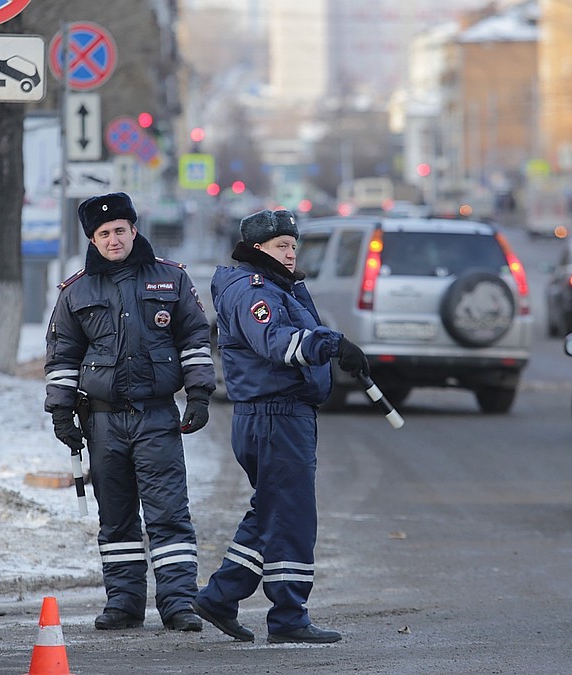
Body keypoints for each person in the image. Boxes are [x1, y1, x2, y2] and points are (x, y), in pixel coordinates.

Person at [192, 208, 369, 644]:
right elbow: (277, 343)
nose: (289, 253)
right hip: (274, 416)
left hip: (280, 415)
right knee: (291, 517)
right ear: (257, 251)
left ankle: (221, 596)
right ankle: (289, 615)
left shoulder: (277, 286)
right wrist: (332, 344)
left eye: (292, 245)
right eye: (279, 247)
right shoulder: (255, 291)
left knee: (272, 511)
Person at [44, 192, 214, 632]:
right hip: (101, 423)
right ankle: (123, 602)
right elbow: (62, 357)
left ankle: (179, 603)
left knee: (169, 515)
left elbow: (194, 339)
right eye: (104, 233)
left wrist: (198, 395)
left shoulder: (170, 279)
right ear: (93, 239)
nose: (113, 239)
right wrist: (61, 414)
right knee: (115, 518)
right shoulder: (76, 291)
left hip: (156, 417)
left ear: (134, 230)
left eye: (120, 230)